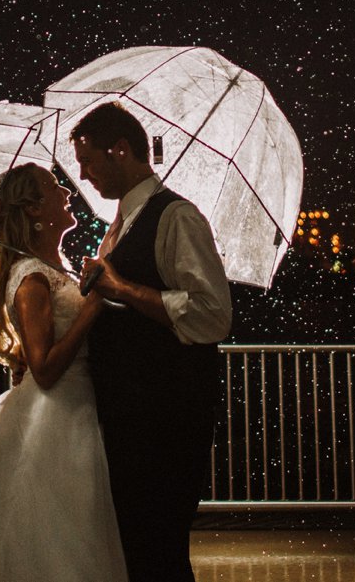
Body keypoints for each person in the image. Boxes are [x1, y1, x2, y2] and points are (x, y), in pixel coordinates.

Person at [0, 162, 128, 582]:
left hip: (71, 406)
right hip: (55, 416)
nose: (67, 192)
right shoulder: (31, 279)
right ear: (36, 211)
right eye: (54, 186)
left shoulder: (51, 268)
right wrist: (91, 308)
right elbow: (43, 369)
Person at [74, 102, 232, 582]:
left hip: (164, 418)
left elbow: (212, 315)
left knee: (157, 548)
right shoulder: (119, 225)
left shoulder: (176, 217)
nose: (84, 176)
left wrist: (120, 288)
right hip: (126, 416)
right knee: (135, 549)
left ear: (120, 150)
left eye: (89, 162)